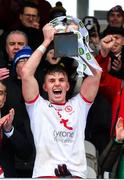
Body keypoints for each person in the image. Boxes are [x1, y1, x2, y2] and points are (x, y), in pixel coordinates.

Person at [20, 23, 102, 178]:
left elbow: (96, 73)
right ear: (44, 87)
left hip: (76, 175)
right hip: (45, 175)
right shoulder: (38, 107)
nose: (57, 83)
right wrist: (46, 42)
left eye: (61, 80)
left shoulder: (80, 105)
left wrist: (78, 43)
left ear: (67, 85)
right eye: (51, 80)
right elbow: (26, 73)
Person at [0, 31, 35, 177]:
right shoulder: (3, 77)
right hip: (6, 148)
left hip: (30, 148)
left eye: (21, 44)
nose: (16, 47)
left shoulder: (42, 80)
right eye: (12, 44)